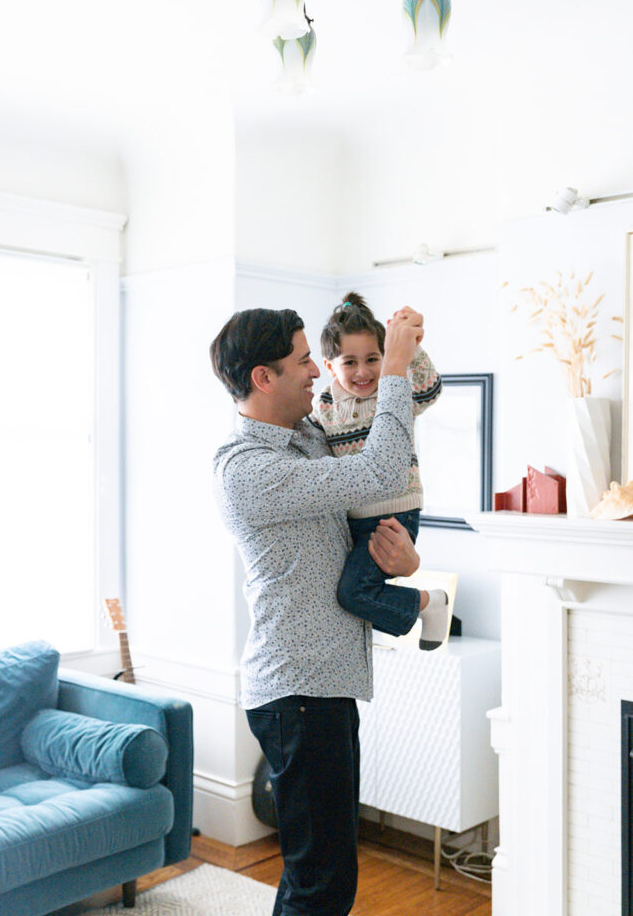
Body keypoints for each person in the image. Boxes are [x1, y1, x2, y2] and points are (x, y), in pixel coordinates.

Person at [210, 304, 423, 916]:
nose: (316, 371)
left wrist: (401, 564)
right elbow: (380, 468)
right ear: (263, 378)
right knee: (321, 883)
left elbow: (361, 517)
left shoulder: (307, 435)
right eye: (304, 360)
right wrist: (396, 367)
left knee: (325, 876)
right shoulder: (245, 469)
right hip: (297, 692)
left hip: (324, 687)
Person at [311, 290, 449, 648]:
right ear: (330, 366)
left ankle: (430, 603)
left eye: (373, 358)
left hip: (395, 512)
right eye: (349, 362)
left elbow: (430, 390)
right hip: (352, 517)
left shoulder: (393, 390)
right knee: (351, 592)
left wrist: (409, 347)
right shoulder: (325, 404)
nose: (363, 371)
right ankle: (422, 606)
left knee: (353, 593)